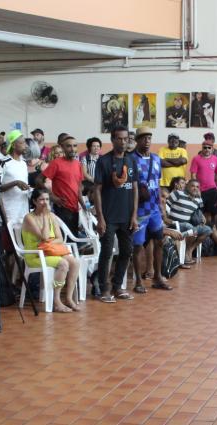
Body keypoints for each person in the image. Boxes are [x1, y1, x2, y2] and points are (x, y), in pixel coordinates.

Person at [92, 125, 138, 303]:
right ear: (112, 140)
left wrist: (134, 216)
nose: (123, 141)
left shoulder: (131, 160)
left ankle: (118, 286)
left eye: (126, 138)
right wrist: (100, 217)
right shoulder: (103, 161)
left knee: (127, 251)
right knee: (107, 252)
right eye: (119, 138)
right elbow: (97, 190)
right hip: (109, 216)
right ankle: (104, 289)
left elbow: (134, 188)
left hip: (126, 216)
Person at [131, 127, 176, 293]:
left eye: (149, 137)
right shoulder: (131, 159)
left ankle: (158, 277)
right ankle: (138, 281)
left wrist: (161, 208)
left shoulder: (156, 159)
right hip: (139, 211)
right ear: (137, 140)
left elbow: (157, 185)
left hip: (154, 210)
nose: (147, 141)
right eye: (143, 138)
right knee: (138, 246)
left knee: (159, 242)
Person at [21, 188, 80, 312]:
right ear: (34, 201)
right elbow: (44, 237)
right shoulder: (29, 218)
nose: (45, 203)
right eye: (42, 199)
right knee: (63, 264)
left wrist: (47, 243)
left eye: (47, 199)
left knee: (74, 262)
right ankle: (57, 301)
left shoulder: (52, 216)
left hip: (49, 252)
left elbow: (59, 238)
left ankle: (68, 298)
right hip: (35, 256)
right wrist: (46, 216)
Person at [43, 134, 84, 234]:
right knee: (64, 238)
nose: (72, 149)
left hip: (75, 208)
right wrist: (53, 197)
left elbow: (78, 187)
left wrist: (83, 204)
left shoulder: (78, 164)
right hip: (62, 207)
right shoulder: (56, 163)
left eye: (74, 146)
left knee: (74, 236)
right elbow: (39, 181)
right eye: (69, 146)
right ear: (62, 148)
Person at [167, 178, 212, 263]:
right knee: (190, 228)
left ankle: (189, 249)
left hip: (188, 225)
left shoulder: (198, 199)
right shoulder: (178, 194)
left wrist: (202, 216)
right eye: (192, 186)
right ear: (187, 186)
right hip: (175, 224)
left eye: (197, 187)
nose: (195, 188)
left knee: (208, 230)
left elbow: (200, 209)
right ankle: (184, 254)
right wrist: (165, 219)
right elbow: (165, 205)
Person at [0, 130, 31, 226]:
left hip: (24, 210)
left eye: (25, 142)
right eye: (22, 143)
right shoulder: (4, 163)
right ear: (13, 145)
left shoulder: (23, 163)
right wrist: (16, 183)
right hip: (10, 211)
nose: (25, 145)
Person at [190, 141, 217, 230]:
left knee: (213, 212)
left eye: (209, 147)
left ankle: (214, 229)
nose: (207, 149)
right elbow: (193, 175)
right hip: (200, 191)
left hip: (212, 190)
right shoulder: (196, 159)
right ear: (202, 148)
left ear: (212, 149)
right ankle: (202, 231)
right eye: (205, 147)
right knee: (200, 212)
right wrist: (196, 190)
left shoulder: (216, 159)